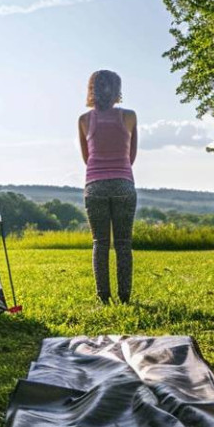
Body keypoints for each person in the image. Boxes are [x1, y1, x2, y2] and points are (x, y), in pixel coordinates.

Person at [79, 70, 137, 303]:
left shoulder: (84, 120)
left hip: (95, 186)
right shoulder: (129, 116)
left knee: (100, 243)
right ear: (117, 90)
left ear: (91, 89)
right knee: (123, 243)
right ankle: (125, 297)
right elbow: (131, 156)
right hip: (124, 183)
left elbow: (86, 157)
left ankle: (103, 297)